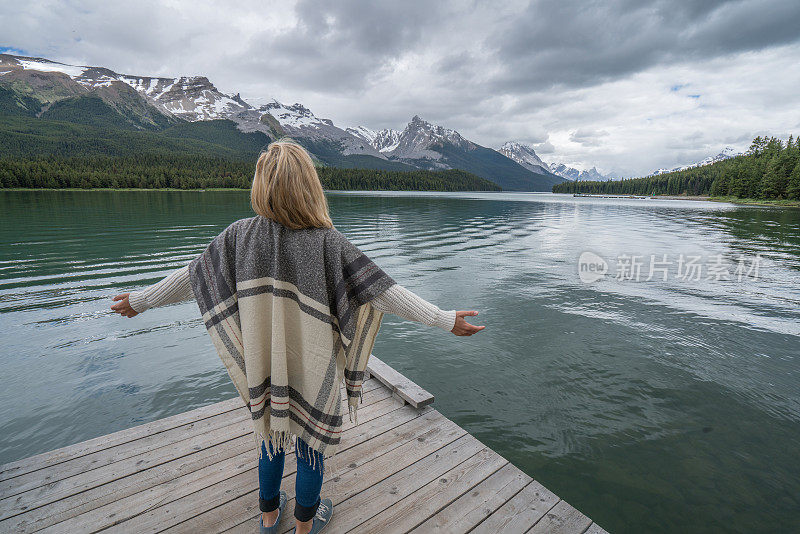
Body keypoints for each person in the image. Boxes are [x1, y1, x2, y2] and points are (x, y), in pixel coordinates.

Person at [110, 141, 484, 534]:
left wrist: (140, 301)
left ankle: (269, 519)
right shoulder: (328, 243)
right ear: (310, 186)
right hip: (314, 366)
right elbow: (383, 292)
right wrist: (443, 319)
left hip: (265, 362)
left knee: (270, 435)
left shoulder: (238, 236)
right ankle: (305, 528)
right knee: (311, 446)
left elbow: (193, 278)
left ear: (261, 186)